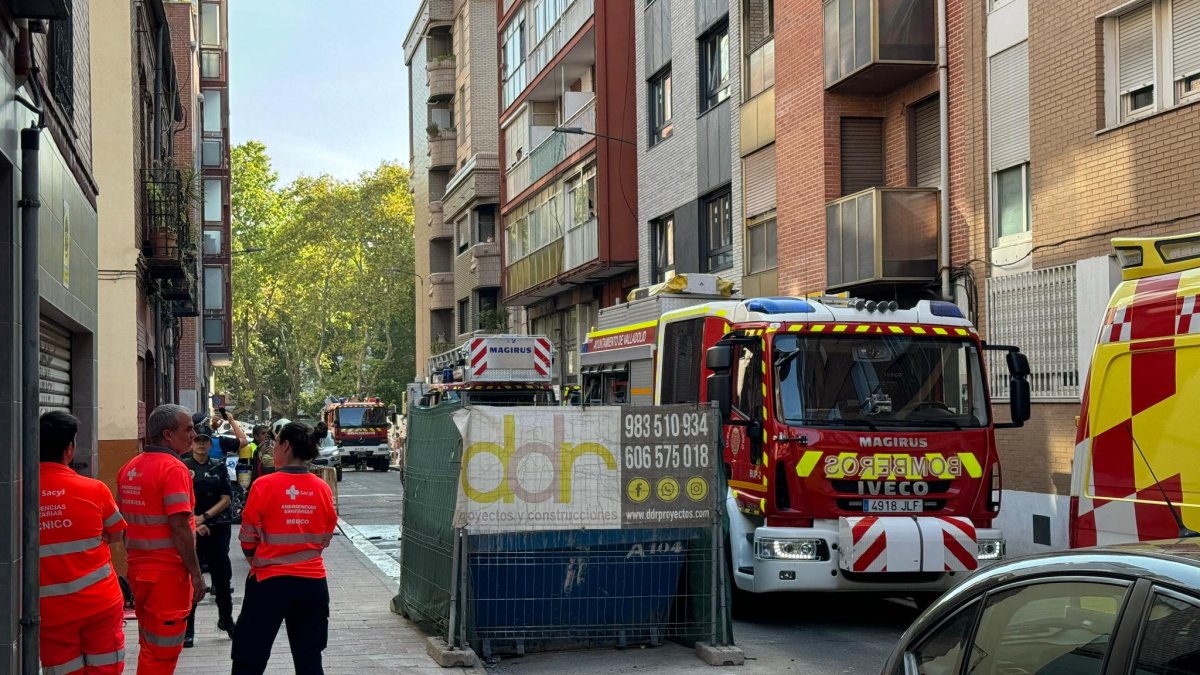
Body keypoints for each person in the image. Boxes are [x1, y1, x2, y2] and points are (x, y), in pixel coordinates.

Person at [231, 421, 337, 675]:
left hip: (269, 583)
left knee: (249, 659)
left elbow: (247, 538)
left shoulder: (264, 485)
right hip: (312, 584)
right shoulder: (322, 488)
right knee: (309, 660)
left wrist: (259, 559)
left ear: (286, 445)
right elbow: (325, 535)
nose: (272, 449)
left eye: (275, 443)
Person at [118, 404, 207, 675]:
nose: (194, 434)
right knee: (163, 653)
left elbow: (125, 525)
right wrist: (196, 574)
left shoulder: (129, 468)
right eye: (188, 428)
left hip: (139, 572)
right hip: (168, 576)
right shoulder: (173, 470)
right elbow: (180, 526)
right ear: (168, 435)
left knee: (150, 643)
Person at [39, 411, 128, 674]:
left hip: (49, 611)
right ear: (69, 449)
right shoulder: (94, 489)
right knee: (106, 669)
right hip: (100, 603)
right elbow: (116, 534)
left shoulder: (18, 492)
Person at [181, 429, 235, 647]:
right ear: (192, 443)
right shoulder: (183, 466)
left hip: (216, 527)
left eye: (205, 441)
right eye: (197, 440)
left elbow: (227, 498)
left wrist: (204, 517)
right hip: (191, 529)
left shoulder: (218, 465)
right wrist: (193, 521)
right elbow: (179, 496)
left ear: (209, 443)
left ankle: (226, 620)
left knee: (222, 578)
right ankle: (188, 629)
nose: (201, 444)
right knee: (192, 578)